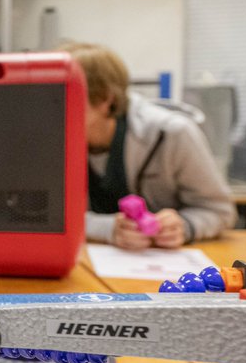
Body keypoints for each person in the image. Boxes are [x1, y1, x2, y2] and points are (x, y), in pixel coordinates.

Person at [60, 41, 236, 250]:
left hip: (163, 265)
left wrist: (185, 226)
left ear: (105, 99)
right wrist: (107, 228)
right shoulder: (50, 141)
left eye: (65, 96)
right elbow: (46, 217)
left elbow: (220, 211)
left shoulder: (173, 133)